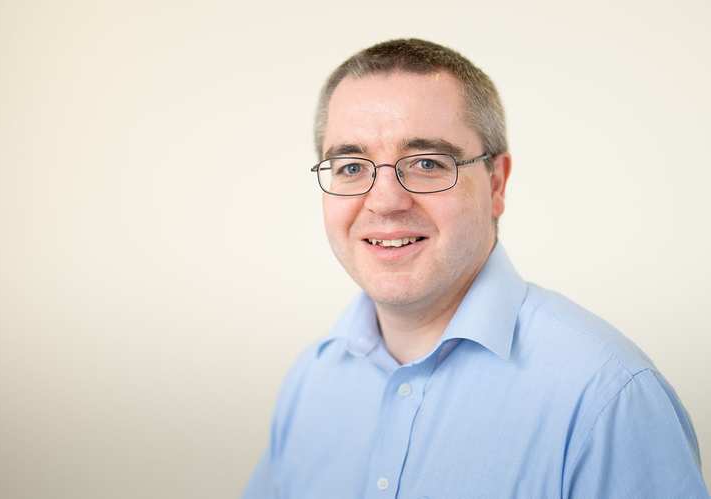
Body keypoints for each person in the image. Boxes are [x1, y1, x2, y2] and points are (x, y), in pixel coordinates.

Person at [242, 38, 709, 498]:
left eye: (427, 163)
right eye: (350, 167)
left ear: (496, 183)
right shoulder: (311, 382)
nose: (385, 201)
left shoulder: (607, 397)